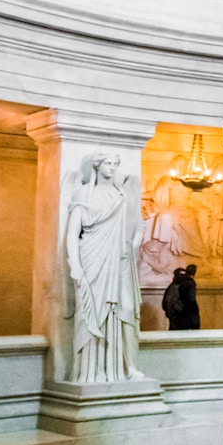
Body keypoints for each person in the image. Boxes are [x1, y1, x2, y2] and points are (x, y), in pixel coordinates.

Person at [65, 151, 144, 382]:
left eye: (115, 164)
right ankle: (94, 370)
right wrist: (75, 265)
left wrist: (133, 244)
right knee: (93, 312)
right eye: (108, 163)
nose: (112, 167)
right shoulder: (84, 193)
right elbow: (72, 233)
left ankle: (126, 367)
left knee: (125, 310)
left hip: (120, 260)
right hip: (93, 258)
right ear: (97, 166)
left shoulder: (123, 194)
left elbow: (138, 223)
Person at [175, 263, 201, 330]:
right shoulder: (191, 283)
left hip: (183, 310)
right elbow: (192, 299)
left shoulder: (182, 282)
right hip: (190, 311)